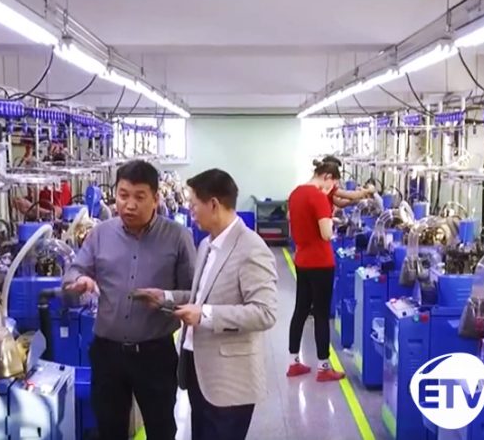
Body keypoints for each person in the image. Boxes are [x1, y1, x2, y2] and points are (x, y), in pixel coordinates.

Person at [136, 169, 279, 440]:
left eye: (194, 206)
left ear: (213, 204)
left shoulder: (251, 248)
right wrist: (165, 297)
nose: (191, 213)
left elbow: (265, 312)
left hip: (230, 381)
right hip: (199, 371)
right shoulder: (206, 245)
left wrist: (205, 315)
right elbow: (201, 296)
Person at [63, 160, 196, 440]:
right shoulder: (100, 234)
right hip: (107, 353)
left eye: (139, 197)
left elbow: (195, 294)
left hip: (155, 354)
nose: (129, 205)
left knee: (161, 429)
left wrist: (166, 298)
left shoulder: (177, 237)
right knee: (110, 429)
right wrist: (79, 280)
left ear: (156, 198)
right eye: (123, 195)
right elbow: (74, 270)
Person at [286, 160, 346, 381]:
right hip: (320, 262)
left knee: (300, 310)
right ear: (327, 177)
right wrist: (331, 219)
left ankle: (293, 362)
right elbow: (326, 234)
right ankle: (323, 367)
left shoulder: (295, 193)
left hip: (302, 259)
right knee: (321, 314)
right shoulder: (318, 197)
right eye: (333, 184)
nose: (332, 189)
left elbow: (292, 219)